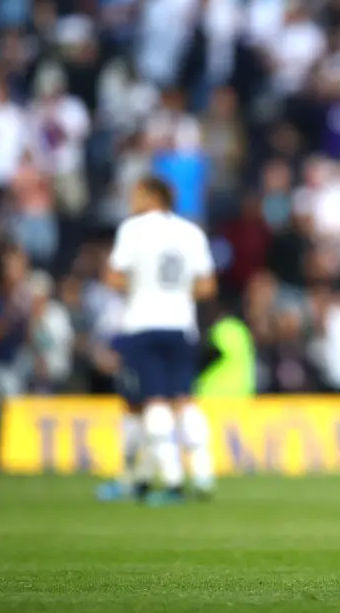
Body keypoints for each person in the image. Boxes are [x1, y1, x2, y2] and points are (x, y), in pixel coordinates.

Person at [105, 176, 218, 506]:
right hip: (181, 325)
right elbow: (207, 287)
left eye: (136, 194)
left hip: (143, 324)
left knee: (153, 400)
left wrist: (143, 287)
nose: (131, 201)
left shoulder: (133, 229)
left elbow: (113, 277)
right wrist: (176, 293)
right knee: (184, 399)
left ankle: (171, 482)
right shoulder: (191, 232)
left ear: (150, 195)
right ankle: (203, 473)